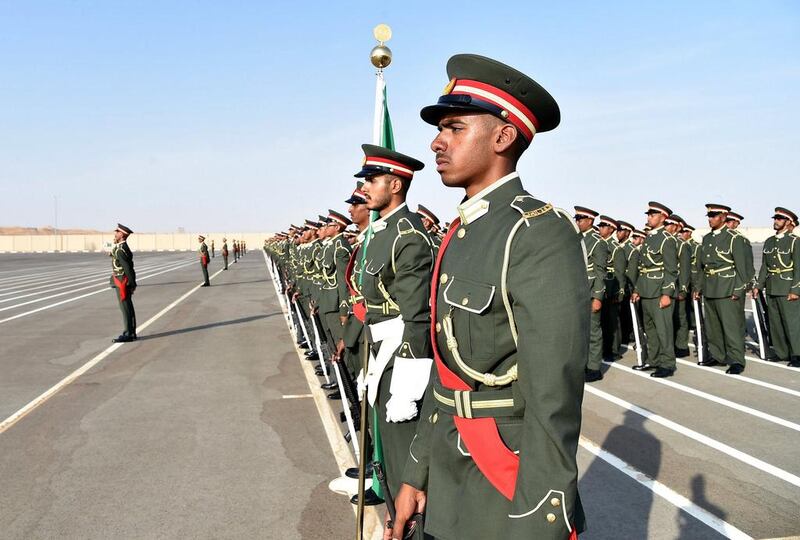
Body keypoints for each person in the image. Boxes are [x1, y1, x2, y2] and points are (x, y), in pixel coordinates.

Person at [392, 54, 587, 540]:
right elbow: (447, 375)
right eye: (441, 129)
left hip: (502, 480)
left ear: (502, 137)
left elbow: (553, 391)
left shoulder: (535, 232)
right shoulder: (463, 230)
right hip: (449, 469)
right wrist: (417, 470)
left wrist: (540, 513)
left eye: (455, 128)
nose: (437, 141)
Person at [354, 143, 433, 505]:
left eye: (371, 180)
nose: (363, 188)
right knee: (386, 458)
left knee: (404, 469)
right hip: (380, 353)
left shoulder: (408, 236)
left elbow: (416, 317)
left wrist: (407, 386)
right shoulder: (384, 231)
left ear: (395, 185)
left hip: (399, 357)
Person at [693, 204, 749, 374]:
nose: (710, 219)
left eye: (714, 215)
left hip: (727, 288)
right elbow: (703, 266)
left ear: (723, 217)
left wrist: (738, 290)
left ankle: (737, 360)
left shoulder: (734, 238)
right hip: (710, 288)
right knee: (713, 326)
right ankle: (718, 356)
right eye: (709, 216)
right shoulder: (707, 239)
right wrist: (699, 287)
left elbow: (742, 269)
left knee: (731, 327)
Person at [630, 202, 678, 378]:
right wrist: (637, 289)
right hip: (646, 291)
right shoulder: (649, 237)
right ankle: (654, 360)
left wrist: (666, 294)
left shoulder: (667, 239)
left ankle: (667, 364)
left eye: (652, 214)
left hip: (659, 291)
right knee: (650, 329)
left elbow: (671, 270)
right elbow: (643, 268)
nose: (649, 217)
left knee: (663, 330)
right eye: (648, 214)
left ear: (663, 217)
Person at [753, 207, 800, 367]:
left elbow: (799, 269)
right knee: (775, 322)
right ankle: (781, 353)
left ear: (788, 222)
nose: (776, 221)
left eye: (779, 219)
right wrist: (758, 286)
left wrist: (795, 290)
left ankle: (797, 354)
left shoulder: (795, 241)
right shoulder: (769, 242)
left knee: (792, 322)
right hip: (772, 287)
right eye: (775, 218)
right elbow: (765, 267)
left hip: (787, 287)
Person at [574, 206, 607, 382]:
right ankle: (583, 363)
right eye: (576, 218)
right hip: (578, 292)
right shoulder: (577, 239)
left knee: (593, 332)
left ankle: (594, 367)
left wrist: (598, 297)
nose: (577, 222)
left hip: (590, 292)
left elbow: (601, 273)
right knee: (580, 331)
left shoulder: (598, 242)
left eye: (581, 219)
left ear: (590, 221)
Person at [665, 214, 691, 358]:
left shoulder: (682, 245)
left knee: (680, 317)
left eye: (669, 224)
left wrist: (683, 289)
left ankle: (681, 345)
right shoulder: (666, 241)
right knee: (668, 319)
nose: (666, 226)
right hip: (666, 287)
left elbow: (685, 270)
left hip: (677, 286)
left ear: (677, 227)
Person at [110, 223, 137, 343]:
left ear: (121, 234)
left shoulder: (121, 250)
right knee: (127, 307)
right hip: (121, 280)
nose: (115, 234)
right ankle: (131, 332)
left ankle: (128, 333)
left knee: (125, 308)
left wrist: (131, 284)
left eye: (117, 232)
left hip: (122, 282)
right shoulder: (120, 247)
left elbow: (128, 268)